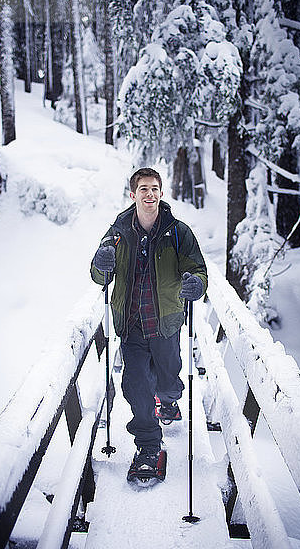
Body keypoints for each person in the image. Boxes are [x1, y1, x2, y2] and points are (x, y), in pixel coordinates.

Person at [90, 167, 207, 481]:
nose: (150, 194)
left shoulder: (178, 232)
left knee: (168, 379)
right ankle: (148, 446)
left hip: (165, 322)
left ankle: (168, 400)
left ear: (161, 193)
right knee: (136, 385)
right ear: (133, 194)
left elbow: (197, 268)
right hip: (131, 324)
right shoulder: (117, 232)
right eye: (143, 189)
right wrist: (101, 264)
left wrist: (196, 283)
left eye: (155, 188)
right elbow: (100, 274)